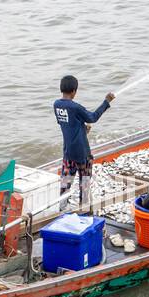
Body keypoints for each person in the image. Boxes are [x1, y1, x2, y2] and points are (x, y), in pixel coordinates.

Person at [53, 75, 114, 212]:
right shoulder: (75, 107)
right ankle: (85, 211)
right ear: (74, 91)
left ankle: (60, 211)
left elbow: (67, 125)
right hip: (83, 155)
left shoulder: (57, 105)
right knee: (84, 185)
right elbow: (92, 117)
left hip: (68, 155)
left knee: (65, 185)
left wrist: (82, 129)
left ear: (61, 89)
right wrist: (106, 102)